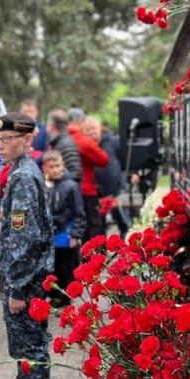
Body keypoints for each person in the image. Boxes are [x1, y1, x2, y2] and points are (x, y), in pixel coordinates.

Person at [0, 112, 54, 379]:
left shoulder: (23, 177)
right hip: (30, 280)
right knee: (31, 347)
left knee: (29, 350)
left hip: (25, 284)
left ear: (28, 140)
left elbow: (23, 240)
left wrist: (16, 289)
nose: (0, 146)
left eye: (7, 139)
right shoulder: (24, 170)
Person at [42, 151, 85, 306]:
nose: (55, 169)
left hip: (65, 234)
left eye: (58, 166)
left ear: (63, 166)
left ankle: (65, 297)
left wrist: (75, 234)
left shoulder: (71, 186)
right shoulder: (44, 186)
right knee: (51, 268)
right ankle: (53, 294)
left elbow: (79, 213)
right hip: (49, 235)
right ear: (45, 168)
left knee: (65, 267)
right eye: (51, 167)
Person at [66, 108, 108, 241]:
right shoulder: (82, 140)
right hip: (86, 190)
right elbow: (103, 159)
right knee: (92, 227)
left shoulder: (62, 138)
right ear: (81, 121)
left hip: (65, 190)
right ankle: (91, 260)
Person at [46, 109, 82, 181]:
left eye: (47, 123)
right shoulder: (60, 142)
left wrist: (54, 178)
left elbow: (76, 173)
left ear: (51, 125)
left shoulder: (65, 144)